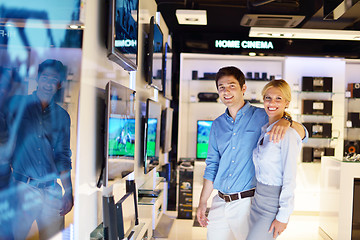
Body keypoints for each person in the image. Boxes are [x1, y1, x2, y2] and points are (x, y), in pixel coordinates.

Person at [196, 66, 307, 240]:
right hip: (219, 202)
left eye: (232, 86)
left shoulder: (263, 115)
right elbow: (212, 166)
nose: (226, 91)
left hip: (247, 203)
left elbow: (303, 134)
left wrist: (286, 120)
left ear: (243, 88)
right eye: (221, 87)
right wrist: (203, 201)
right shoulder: (217, 125)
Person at [4, 59, 73, 239]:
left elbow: (63, 156)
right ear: (37, 78)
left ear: (59, 84)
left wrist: (69, 191)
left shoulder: (63, 117)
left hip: (52, 191)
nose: (48, 83)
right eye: (45, 77)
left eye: (54, 80)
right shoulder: (17, 105)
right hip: (22, 188)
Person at [247, 80, 302, 239]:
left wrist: (283, 216)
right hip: (257, 200)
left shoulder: (289, 134)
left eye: (278, 98)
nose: (272, 102)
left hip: (273, 204)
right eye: (268, 98)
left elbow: (290, 177)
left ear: (287, 103)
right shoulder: (265, 129)